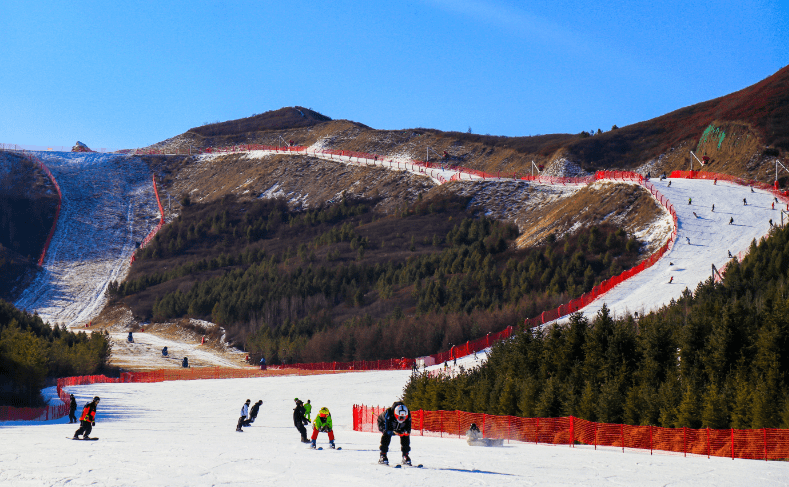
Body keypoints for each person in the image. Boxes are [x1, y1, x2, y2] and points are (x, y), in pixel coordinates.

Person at [377, 401, 411, 466]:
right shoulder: (389, 414)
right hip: (385, 424)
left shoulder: (408, 415)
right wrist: (393, 432)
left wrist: (405, 431)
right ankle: (383, 455)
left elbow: (408, 428)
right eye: (400, 417)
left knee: (405, 435)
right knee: (386, 435)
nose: (402, 419)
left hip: (399, 426)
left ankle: (405, 455)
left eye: (404, 418)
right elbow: (387, 429)